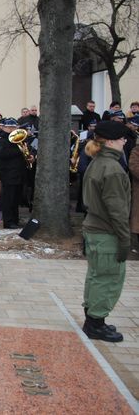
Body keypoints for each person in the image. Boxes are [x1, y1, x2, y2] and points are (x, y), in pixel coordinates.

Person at [81, 120, 130, 343]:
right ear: (110, 141)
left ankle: (93, 318)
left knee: (96, 275)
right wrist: (124, 238)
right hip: (106, 231)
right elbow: (117, 209)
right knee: (108, 277)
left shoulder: (98, 162)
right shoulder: (112, 168)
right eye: (121, 138)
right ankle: (96, 323)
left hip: (94, 228)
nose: (124, 141)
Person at [0, 118, 28, 229]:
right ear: (4, 127)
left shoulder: (18, 138)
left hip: (18, 171)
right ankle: (8, 221)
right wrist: (20, 151)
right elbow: (3, 154)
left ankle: (15, 219)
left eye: (15, 127)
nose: (13, 129)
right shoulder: (0, 139)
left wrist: (28, 155)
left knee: (16, 197)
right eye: (10, 127)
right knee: (9, 197)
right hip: (7, 172)